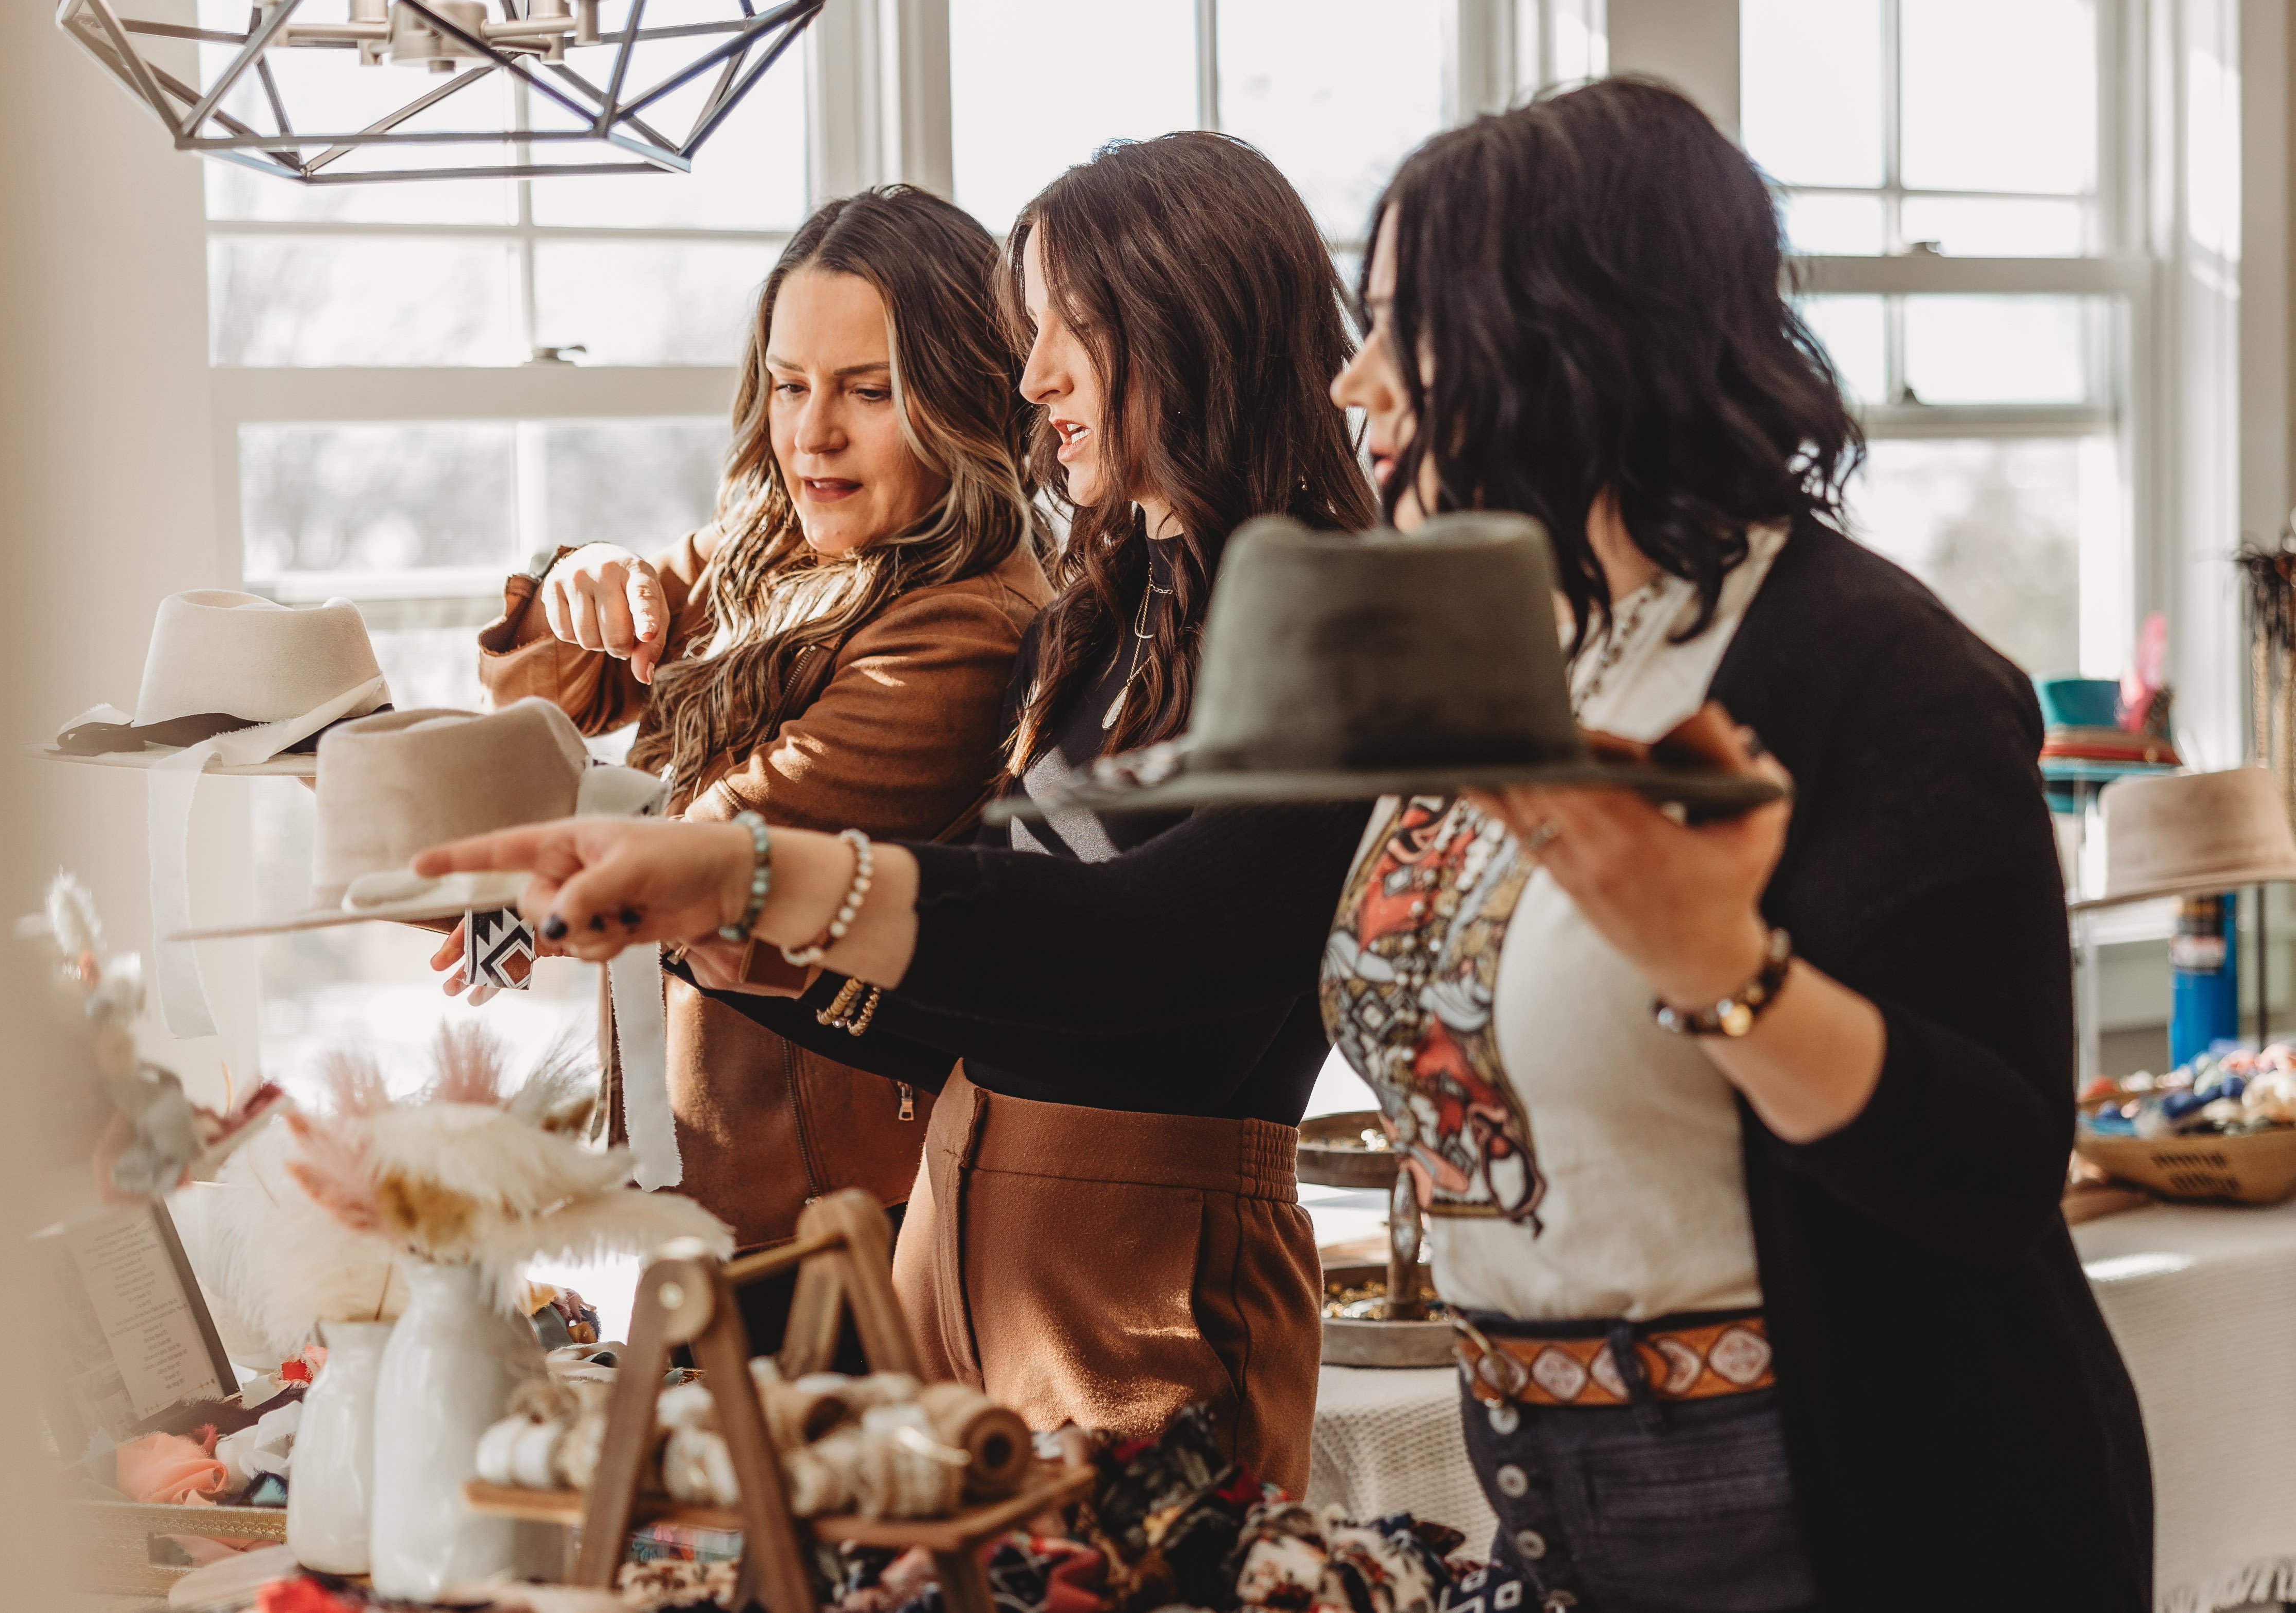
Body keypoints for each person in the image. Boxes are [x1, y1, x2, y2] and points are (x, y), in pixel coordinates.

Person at [417, 79, 2151, 1611]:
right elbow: (1142, 945)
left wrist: (1726, 971)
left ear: (1567, 331)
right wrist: (732, 896)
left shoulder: (1878, 672)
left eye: (1405, 322)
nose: (1356, 375)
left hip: (1832, 1490)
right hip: (1550, 1480)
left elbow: (1984, 1165)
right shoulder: (1502, 645)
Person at [679, 132, 1376, 1493]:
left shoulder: (1335, 623)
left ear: (1195, 323)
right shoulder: (1094, 616)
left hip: (1140, 1296)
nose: (1030, 373)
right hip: (948, 1250)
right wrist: (722, 943)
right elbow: (989, 993)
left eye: (1074, 327)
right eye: (1029, 328)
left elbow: (1143, 958)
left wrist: (762, 881)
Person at [460, 186, 1054, 1333]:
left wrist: (524, 879)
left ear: (966, 400)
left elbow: (708, 849)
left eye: (868, 393)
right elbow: (534, 704)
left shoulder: (967, 625)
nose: (811, 434)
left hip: (838, 1229)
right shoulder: (768, 556)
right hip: (710, 1195)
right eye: (789, 386)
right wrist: (576, 574)